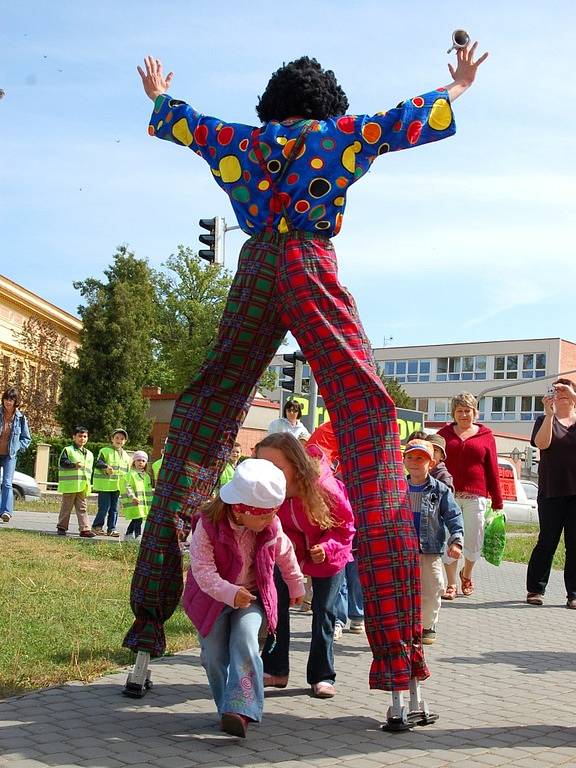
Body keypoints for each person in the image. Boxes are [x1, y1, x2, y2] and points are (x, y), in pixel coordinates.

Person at [128, 44, 488, 696]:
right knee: (369, 415)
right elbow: (398, 122)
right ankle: (396, 659)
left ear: (272, 104)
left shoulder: (244, 141)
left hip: (256, 269)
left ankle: (147, 630)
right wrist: (456, 87)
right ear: (325, 104)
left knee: (205, 413)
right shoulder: (335, 136)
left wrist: (158, 98)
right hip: (312, 266)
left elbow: (189, 125)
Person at [182, 458, 304, 737]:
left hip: (252, 597)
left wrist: (296, 584)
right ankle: (225, 707)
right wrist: (228, 592)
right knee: (214, 656)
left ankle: (241, 709)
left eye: (272, 513)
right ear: (240, 510)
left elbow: (285, 552)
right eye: (263, 515)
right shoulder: (208, 527)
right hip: (212, 599)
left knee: (245, 640)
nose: (270, 520)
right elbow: (202, 569)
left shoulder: (270, 525)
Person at [255, 433, 354, 698]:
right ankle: (276, 669)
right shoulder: (271, 490)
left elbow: (346, 527)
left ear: (295, 463)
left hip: (330, 553)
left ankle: (322, 675)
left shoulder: (324, 486)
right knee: (276, 607)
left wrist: (326, 548)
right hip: (289, 553)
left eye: (276, 467)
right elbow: (279, 527)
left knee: (324, 611)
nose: (269, 473)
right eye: (263, 466)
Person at [438, 393, 503, 599]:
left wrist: (498, 500)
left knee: (473, 540)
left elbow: (492, 468)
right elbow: (435, 462)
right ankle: (451, 584)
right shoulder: (443, 435)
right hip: (448, 496)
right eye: (460, 411)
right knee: (450, 539)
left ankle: (466, 574)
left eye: (468, 410)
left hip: (476, 497)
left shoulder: (486, 436)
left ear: (475, 413)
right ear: (453, 414)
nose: (464, 414)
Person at [403, 439, 464, 644]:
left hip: (428, 550)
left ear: (431, 463)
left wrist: (456, 541)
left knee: (432, 589)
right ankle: (406, 627)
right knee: (403, 591)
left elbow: (454, 516)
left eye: (420, 458)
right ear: (403, 461)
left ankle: (427, 625)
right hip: (402, 551)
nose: (414, 462)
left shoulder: (440, 490)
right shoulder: (398, 488)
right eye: (410, 457)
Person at [526, 379, 576, 609]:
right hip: (551, 490)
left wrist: (573, 394)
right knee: (547, 541)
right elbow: (542, 444)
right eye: (555, 391)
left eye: (564, 390)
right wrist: (549, 414)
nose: (560, 394)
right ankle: (535, 589)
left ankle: (573, 593)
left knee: (574, 544)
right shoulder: (544, 420)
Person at [56, 426, 96, 538]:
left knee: (82, 507)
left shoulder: (89, 454)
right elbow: (63, 463)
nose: (82, 438)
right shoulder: (68, 450)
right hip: (70, 485)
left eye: (85, 436)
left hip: (83, 485)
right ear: (74, 437)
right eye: (79, 436)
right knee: (66, 507)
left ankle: (85, 529)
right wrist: (74, 465)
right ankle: (62, 527)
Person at [0, 387, 31, 523]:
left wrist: (18, 448)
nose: (8, 402)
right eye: (6, 399)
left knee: (7, 483)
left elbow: (26, 439)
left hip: (10, 455)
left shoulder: (21, 418)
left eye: (11, 399)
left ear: (15, 402)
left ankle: (6, 512)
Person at [91, 429, 130, 537]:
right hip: (105, 485)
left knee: (115, 509)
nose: (119, 440)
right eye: (117, 438)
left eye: (122, 439)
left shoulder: (126, 455)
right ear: (112, 439)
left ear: (125, 441)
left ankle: (111, 529)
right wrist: (106, 467)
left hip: (117, 486)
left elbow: (127, 472)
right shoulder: (105, 451)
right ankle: (96, 527)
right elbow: (98, 462)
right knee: (104, 507)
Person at [121, 450, 152, 541]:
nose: (140, 463)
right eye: (138, 460)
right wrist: (133, 497)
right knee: (137, 519)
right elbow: (128, 487)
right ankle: (138, 536)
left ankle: (128, 534)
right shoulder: (131, 474)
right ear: (134, 462)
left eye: (143, 461)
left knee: (137, 519)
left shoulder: (146, 476)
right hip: (134, 502)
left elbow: (148, 491)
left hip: (143, 504)